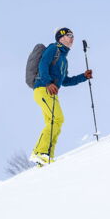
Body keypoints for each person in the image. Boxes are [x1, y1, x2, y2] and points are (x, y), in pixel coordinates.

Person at [30, 28, 92, 166]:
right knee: (57, 119)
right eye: (69, 35)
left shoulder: (64, 59)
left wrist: (83, 76)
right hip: (43, 88)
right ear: (61, 38)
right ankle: (39, 152)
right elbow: (43, 65)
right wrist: (47, 82)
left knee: (54, 122)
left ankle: (45, 158)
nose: (72, 38)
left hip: (50, 91)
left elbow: (65, 81)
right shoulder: (54, 49)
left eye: (73, 36)